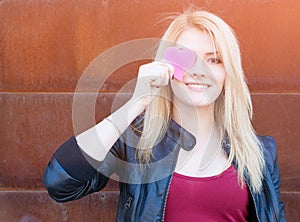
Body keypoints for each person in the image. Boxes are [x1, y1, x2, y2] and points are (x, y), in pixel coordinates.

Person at [43, 9, 286, 222]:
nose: (199, 71)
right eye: (186, 59)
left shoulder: (260, 153)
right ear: (165, 67)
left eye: (214, 60)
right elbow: (60, 183)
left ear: (227, 73)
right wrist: (133, 107)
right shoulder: (135, 145)